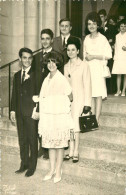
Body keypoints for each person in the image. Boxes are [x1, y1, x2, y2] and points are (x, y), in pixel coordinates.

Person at [38, 51, 74, 183]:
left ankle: (58, 170)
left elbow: (70, 96)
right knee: (50, 144)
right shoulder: (46, 79)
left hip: (59, 116)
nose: (51, 64)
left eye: (53, 62)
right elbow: (42, 97)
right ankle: (51, 169)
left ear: (58, 63)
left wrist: (58, 102)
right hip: (48, 117)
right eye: (49, 62)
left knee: (59, 145)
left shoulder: (62, 78)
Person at [32, 29, 63, 159]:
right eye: (42, 38)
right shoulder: (36, 57)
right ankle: (41, 146)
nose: (44, 41)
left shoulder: (57, 55)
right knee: (39, 122)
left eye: (47, 38)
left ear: (52, 40)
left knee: (50, 121)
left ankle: (48, 149)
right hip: (39, 93)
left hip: (52, 94)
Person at [10, 48, 38, 177]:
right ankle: (24, 163)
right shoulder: (16, 75)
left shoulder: (37, 74)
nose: (27, 60)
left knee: (32, 140)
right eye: (24, 58)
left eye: (29, 58)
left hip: (31, 113)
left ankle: (32, 166)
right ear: (20, 59)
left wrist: (37, 111)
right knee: (22, 140)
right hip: (20, 113)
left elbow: (39, 95)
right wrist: (12, 110)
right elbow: (14, 95)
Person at [64, 37, 92, 163]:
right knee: (69, 126)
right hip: (68, 101)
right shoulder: (65, 67)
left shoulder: (84, 65)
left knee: (76, 126)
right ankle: (70, 149)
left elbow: (87, 85)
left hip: (80, 99)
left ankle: (76, 150)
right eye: (68, 50)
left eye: (73, 50)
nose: (70, 52)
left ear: (78, 50)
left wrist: (87, 104)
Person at [83, 12, 112, 124]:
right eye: (89, 24)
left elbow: (109, 55)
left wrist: (94, 56)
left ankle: (97, 119)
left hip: (98, 69)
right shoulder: (86, 38)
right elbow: (84, 55)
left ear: (98, 25)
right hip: (88, 69)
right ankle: (90, 117)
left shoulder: (102, 38)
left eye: (94, 24)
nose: (91, 26)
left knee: (98, 94)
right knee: (89, 93)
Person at [112, 19, 126, 96]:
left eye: (124, 26)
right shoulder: (117, 36)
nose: (123, 28)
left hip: (125, 57)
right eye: (121, 26)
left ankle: (123, 91)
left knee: (125, 74)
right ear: (119, 27)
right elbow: (116, 47)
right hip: (118, 57)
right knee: (118, 74)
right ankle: (118, 90)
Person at [104, 15, 118, 94]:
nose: (112, 24)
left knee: (114, 72)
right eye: (110, 22)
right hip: (107, 55)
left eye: (113, 22)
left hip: (115, 55)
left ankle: (114, 89)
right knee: (107, 71)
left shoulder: (117, 33)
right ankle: (108, 89)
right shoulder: (106, 32)